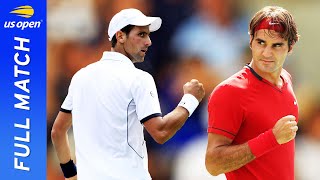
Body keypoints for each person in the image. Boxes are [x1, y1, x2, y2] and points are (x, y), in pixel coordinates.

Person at [51, 8, 205, 180]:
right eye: (141, 35)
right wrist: (190, 99)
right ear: (120, 36)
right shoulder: (139, 78)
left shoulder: (81, 76)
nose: (148, 42)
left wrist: (70, 175)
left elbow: (57, 132)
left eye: (147, 35)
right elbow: (161, 132)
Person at [205, 6, 300, 179]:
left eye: (277, 45)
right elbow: (213, 164)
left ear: (290, 46)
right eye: (261, 42)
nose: (266, 53)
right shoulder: (229, 92)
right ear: (251, 41)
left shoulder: (286, 79)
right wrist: (271, 138)